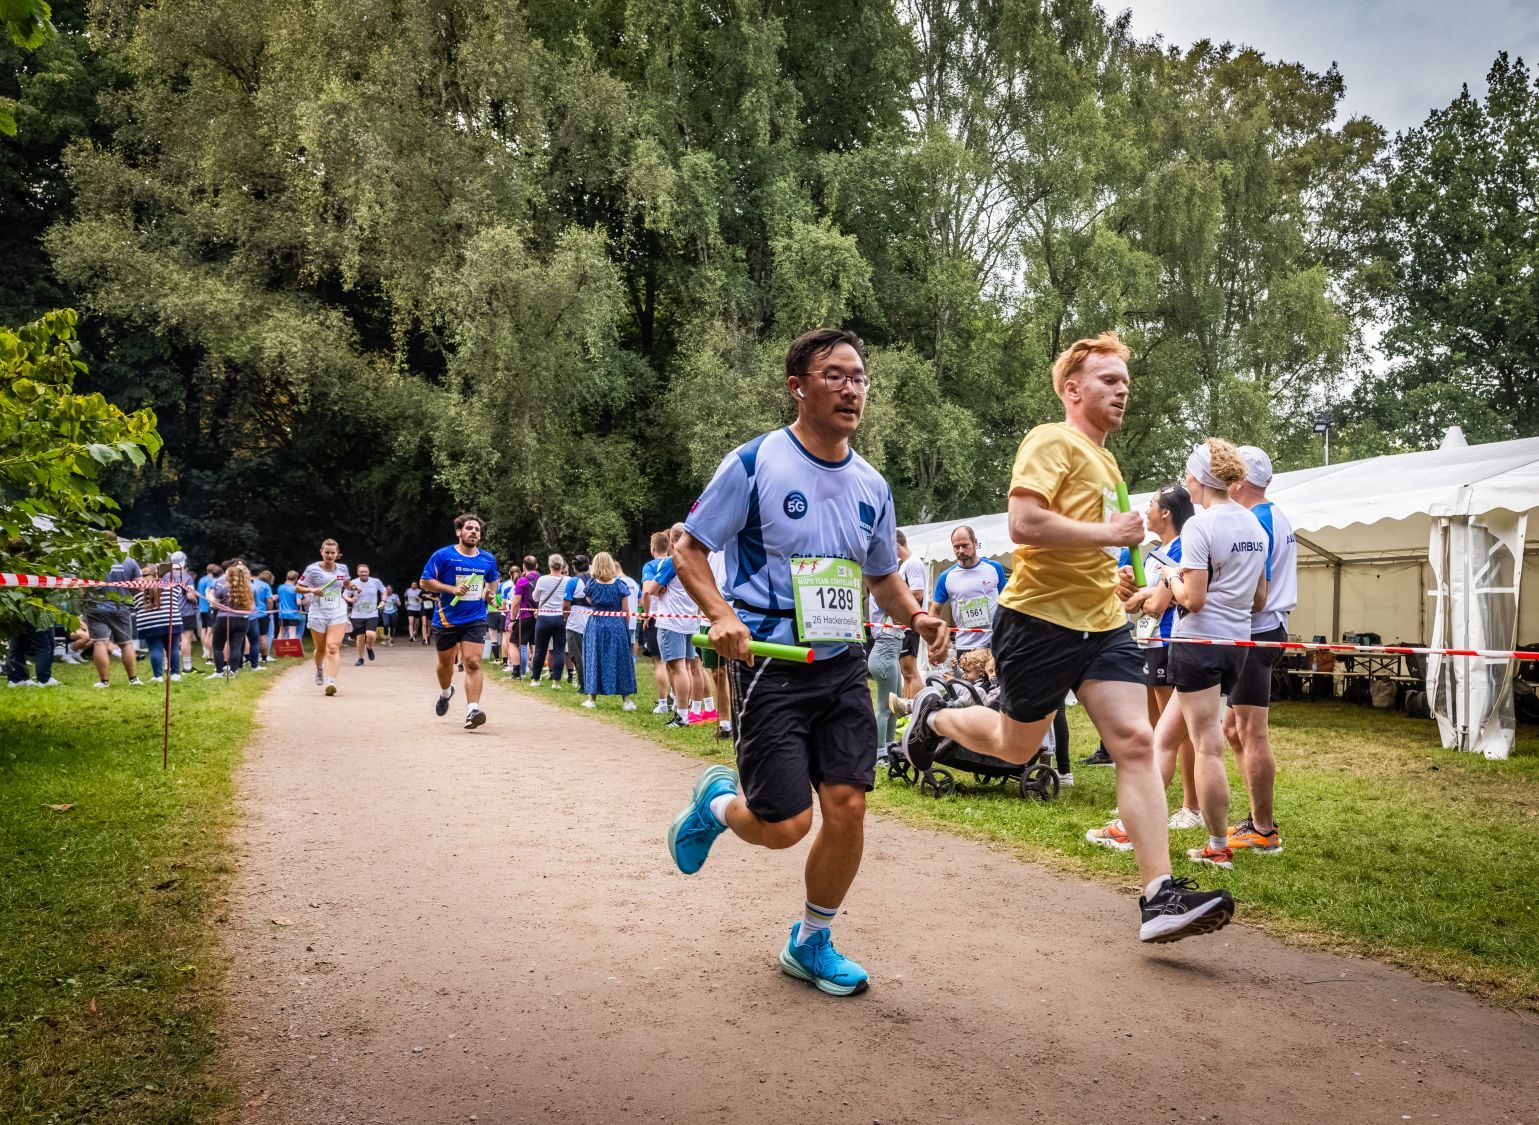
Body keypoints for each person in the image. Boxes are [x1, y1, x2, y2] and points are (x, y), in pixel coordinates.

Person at [901, 331, 1234, 943]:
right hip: (1038, 620)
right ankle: (935, 715)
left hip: (1101, 624)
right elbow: (1024, 523)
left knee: (1135, 741)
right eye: (1109, 381)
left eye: (1125, 382)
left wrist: (1115, 572)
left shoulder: (1108, 463)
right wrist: (1109, 536)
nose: (1122, 391)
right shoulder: (1050, 440)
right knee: (1016, 747)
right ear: (1072, 389)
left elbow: (1089, 540)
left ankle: (1159, 896)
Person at [666, 327, 949, 997]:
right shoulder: (754, 462)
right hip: (770, 661)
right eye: (835, 376)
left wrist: (916, 616)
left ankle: (811, 939)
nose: (852, 389)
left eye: (859, 378)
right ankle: (716, 804)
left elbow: (880, 575)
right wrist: (721, 615)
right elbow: (688, 548)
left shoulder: (871, 483)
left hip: (841, 658)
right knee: (785, 827)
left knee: (847, 806)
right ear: (798, 387)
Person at [1100, 439, 1266, 870]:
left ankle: (1217, 846)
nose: (1186, 480)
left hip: (1198, 644)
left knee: (1207, 747)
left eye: (1189, 473)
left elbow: (1192, 599)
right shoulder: (1254, 525)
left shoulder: (1199, 526)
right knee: (1162, 739)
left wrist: (1170, 576)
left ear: (1200, 479)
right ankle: (1132, 826)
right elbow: (1258, 600)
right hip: (1236, 645)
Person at [1224, 445, 1296, 855]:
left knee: (1251, 732)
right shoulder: (1273, 514)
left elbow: (1256, 593)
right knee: (1232, 729)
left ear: (1240, 482)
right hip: (1264, 629)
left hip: (1258, 631)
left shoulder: (1256, 520)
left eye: (1229, 477)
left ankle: (1264, 829)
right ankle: (1256, 817)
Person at [1115, 484, 1201, 825]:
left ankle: (1191, 806)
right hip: (1146, 640)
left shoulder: (1183, 547)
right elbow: (1133, 600)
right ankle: (1150, 797)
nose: (1146, 510)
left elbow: (1156, 604)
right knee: (1153, 727)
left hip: (1167, 641)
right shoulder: (1153, 554)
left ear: (1166, 512)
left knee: (1176, 730)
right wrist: (1127, 586)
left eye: (1151, 504)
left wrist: (1142, 598)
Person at [420, 514, 500, 729]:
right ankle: (446, 692)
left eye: (477, 529)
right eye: (469, 528)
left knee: (472, 662)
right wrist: (451, 589)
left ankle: (473, 710)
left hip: (475, 617)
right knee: (445, 664)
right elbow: (425, 581)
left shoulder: (487, 559)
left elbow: (492, 582)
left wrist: (490, 594)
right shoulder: (443, 555)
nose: (474, 532)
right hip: (447, 618)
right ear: (459, 532)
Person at [644, 525, 710, 727]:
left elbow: (651, 590)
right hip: (690, 620)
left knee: (677, 668)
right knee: (689, 667)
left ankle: (682, 715)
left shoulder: (671, 562)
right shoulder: (697, 561)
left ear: (671, 540)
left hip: (671, 622)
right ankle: (688, 711)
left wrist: (660, 589)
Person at [929, 525, 1008, 662]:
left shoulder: (994, 568)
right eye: (956, 547)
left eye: (965, 545)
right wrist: (934, 641)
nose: (961, 551)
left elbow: (1007, 602)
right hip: (965, 645)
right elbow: (934, 611)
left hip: (995, 642)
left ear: (975, 543)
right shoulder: (946, 577)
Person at [580, 552, 638, 709]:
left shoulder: (591, 585)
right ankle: (626, 701)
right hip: (617, 625)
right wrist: (624, 625)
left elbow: (589, 600)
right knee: (621, 659)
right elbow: (625, 610)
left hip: (596, 625)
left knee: (594, 658)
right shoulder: (620, 585)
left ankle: (592, 699)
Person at [297, 539, 351, 695]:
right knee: (320, 650)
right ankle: (319, 668)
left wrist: (352, 586)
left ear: (337, 553)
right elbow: (298, 588)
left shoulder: (343, 568)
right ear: (321, 552)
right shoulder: (312, 569)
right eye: (326, 552)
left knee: (332, 648)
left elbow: (346, 583)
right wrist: (312, 590)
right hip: (318, 613)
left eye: (332, 553)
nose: (329, 555)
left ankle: (331, 682)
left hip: (337, 611)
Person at [85, 548, 144, 688]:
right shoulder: (130, 561)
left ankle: (104, 682)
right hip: (120, 606)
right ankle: (133, 679)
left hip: (95, 606)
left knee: (99, 643)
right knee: (126, 643)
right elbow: (140, 586)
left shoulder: (90, 559)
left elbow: (82, 584)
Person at [135, 562, 190, 682]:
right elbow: (179, 594)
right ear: (157, 576)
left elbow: (135, 607)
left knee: (155, 648)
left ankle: (158, 676)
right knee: (173, 648)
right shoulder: (172, 589)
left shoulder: (138, 595)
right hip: (171, 622)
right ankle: (175, 674)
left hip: (148, 624)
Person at [640, 531, 673, 713]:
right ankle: (678, 702)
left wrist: (646, 615)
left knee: (659, 662)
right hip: (677, 617)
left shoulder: (651, 566)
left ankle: (662, 704)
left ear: (653, 548)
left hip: (656, 618)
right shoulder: (676, 562)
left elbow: (646, 592)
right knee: (677, 664)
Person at [895, 530, 928, 697]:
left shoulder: (913, 562)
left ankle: (918, 707)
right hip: (904, 625)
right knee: (905, 672)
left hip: (910, 625)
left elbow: (917, 593)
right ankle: (908, 707)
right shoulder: (904, 564)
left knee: (910, 671)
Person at [209, 560, 255, 677]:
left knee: (218, 647)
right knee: (236, 647)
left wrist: (212, 599)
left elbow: (214, 605)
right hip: (242, 620)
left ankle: (219, 672)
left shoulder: (222, 587)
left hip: (224, 619)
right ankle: (233, 671)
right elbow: (252, 607)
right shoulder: (247, 589)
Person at [528, 554, 569, 686]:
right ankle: (556, 682)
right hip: (560, 618)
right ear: (562, 565)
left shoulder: (542, 579)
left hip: (544, 618)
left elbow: (535, 598)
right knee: (559, 650)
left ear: (549, 565)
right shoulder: (568, 580)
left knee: (540, 649)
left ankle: (535, 679)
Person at [346, 563, 386, 667]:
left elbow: (384, 591)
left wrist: (383, 601)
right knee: (360, 637)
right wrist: (351, 599)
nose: (364, 573)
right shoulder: (353, 583)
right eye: (362, 572)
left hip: (372, 613)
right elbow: (344, 595)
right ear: (358, 573)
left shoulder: (375, 581)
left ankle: (369, 647)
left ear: (368, 572)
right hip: (357, 614)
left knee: (371, 635)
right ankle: (360, 658)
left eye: (365, 571)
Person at [168, 551, 201, 673]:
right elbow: (190, 596)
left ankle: (167, 666)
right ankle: (187, 667)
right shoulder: (187, 577)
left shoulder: (166, 576)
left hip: (169, 611)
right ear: (184, 562)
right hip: (185, 611)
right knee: (186, 638)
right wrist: (196, 602)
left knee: (169, 639)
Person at [563, 554, 592, 687]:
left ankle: (584, 685)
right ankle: (591, 682)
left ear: (574, 567)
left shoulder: (573, 581)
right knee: (589, 654)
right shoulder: (595, 580)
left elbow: (566, 605)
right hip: (592, 621)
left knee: (576, 655)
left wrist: (566, 619)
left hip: (576, 623)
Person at [509, 556, 539, 679]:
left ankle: (516, 672)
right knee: (535, 644)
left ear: (523, 566)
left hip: (525, 616)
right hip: (539, 616)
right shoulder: (541, 579)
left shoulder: (521, 581)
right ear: (536, 566)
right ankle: (536, 673)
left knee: (514, 642)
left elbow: (516, 602)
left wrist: (512, 619)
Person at [247, 568, 275, 670]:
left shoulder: (246, 584)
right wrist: (268, 612)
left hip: (249, 613)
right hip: (262, 614)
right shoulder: (265, 585)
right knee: (263, 637)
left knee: (248, 637)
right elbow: (269, 601)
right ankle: (264, 657)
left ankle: (247, 658)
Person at [196, 563, 221, 663]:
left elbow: (198, 593)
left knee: (204, 629)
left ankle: (205, 650)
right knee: (210, 631)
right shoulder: (211, 581)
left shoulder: (201, 580)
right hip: (209, 608)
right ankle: (210, 653)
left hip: (202, 608)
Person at [277, 570, 304, 640]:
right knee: (292, 632)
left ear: (286, 577)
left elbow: (279, 598)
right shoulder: (296, 589)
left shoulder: (280, 587)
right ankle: (291, 647)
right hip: (293, 614)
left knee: (281, 632)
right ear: (296, 579)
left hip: (282, 613)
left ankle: (279, 647)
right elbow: (298, 603)